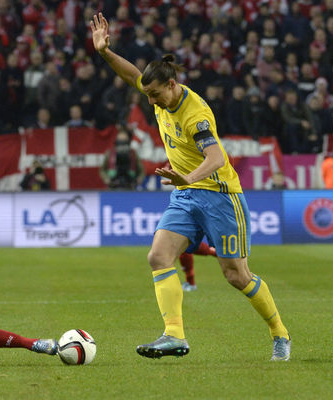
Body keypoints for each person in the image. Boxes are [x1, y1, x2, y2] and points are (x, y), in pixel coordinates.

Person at [91, 12, 290, 361]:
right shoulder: (158, 93)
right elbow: (133, 75)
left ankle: (280, 334)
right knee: (158, 256)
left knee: (237, 275)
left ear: (171, 85)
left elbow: (216, 157)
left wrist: (189, 177)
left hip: (219, 195)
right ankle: (174, 335)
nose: (150, 102)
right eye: (147, 95)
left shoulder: (195, 115)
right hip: (185, 194)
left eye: (155, 95)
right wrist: (105, 52)